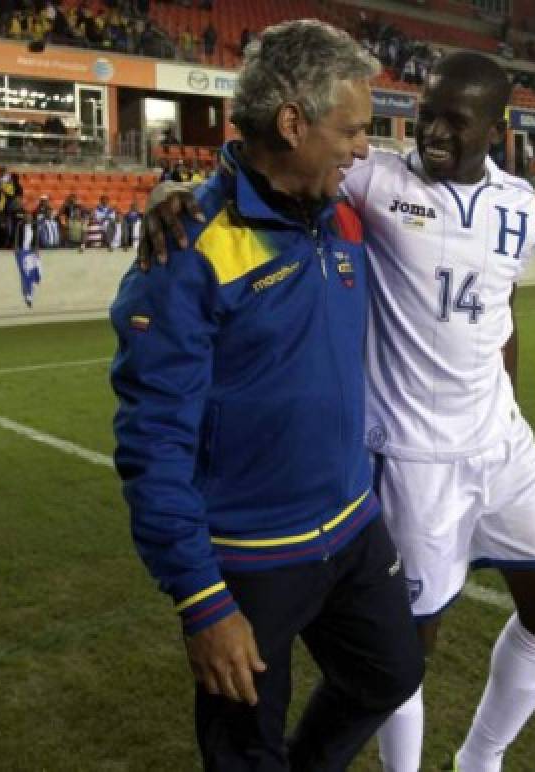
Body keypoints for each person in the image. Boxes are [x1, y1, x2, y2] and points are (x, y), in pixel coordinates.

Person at [143, 49, 535, 772]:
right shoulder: (376, 177)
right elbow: (265, 168)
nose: (432, 134)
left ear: (496, 127)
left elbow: (503, 310)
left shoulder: (520, 203)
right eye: (426, 115)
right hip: (409, 454)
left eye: (455, 121)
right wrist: (172, 189)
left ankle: (480, 761)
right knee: (403, 654)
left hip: (499, 441)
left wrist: (505, 410)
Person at [109, 20, 423, 769]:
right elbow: (153, 446)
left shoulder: (345, 212)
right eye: (350, 129)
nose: (362, 148)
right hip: (250, 559)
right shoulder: (186, 254)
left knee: (393, 672)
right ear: (292, 123)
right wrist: (202, 601)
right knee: (245, 752)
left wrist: (165, 185)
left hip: (352, 527)